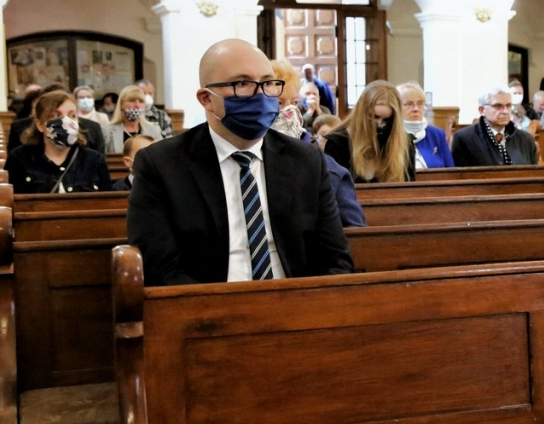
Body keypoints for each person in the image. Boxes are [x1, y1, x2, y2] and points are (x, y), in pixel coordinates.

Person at [127, 38, 354, 286]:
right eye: (243, 83)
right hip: (207, 302)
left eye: (268, 83)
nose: (260, 94)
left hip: (294, 299)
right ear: (206, 98)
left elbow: (336, 260)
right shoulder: (161, 165)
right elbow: (161, 269)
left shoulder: (306, 160)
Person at [270, 59, 365, 228]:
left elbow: (354, 230)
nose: (289, 111)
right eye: (279, 103)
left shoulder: (327, 168)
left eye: (294, 103)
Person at [7, 90, 113, 194]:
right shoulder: (19, 158)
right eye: (57, 115)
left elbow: (107, 200)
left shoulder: (94, 160)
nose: (66, 121)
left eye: (72, 116)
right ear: (40, 125)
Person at [322, 80, 416, 183]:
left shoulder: (405, 143)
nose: (380, 125)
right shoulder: (338, 143)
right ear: (362, 113)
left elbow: (408, 187)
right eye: (375, 117)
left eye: (387, 120)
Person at [451, 86, 538, 166]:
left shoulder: (526, 139)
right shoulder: (464, 139)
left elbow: (533, 174)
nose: (505, 111)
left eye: (508, 106)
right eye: (498, 106)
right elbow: (463, 175)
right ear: (482, 110)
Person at [10, 83, 107, 152]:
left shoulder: (92, 129)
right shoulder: (20, 129)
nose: (65, 120)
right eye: (55, 115)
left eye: (72, 115)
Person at [398, 81, 454, 169]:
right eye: (409, 104)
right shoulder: (391, 134)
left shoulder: (437, 134)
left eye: (420, 104)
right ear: (397, 107)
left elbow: (450, 170)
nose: (416, 109)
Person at [104, 84, 163, 153]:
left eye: (141, 101)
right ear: (121, 105)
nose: (137, 105)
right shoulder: (107, 131)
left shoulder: (154, 130)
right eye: (132, 101)